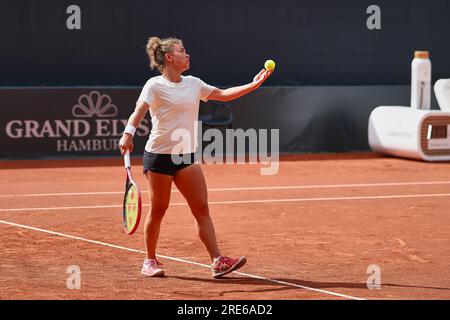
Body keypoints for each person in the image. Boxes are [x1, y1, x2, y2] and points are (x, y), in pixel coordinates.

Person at [119, 36, 272, 278]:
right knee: (159, 209)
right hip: (159, 156)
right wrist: (128, 133)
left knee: (201, 208)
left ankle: (217, 260)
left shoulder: (193, 83)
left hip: (186, 156)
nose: (187, 54)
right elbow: (139, 111)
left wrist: (252, 85)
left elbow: (222, 94)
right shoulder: (154, 85)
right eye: (182, 51)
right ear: (169, 57)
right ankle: (149, 260)